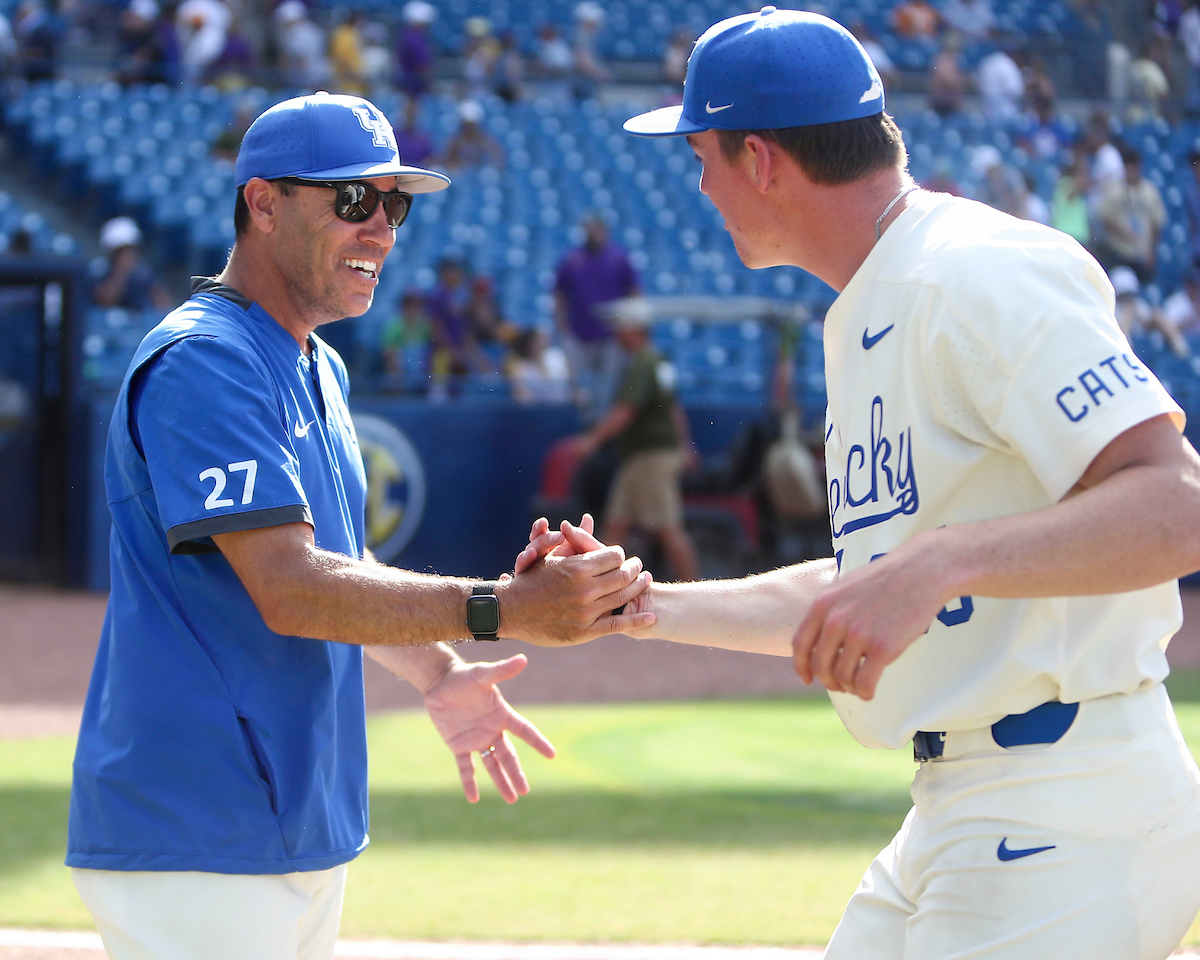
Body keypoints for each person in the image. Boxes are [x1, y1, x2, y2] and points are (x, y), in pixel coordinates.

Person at [523, 9, 1200, 958]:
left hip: (1065, 804)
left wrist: (939, 562)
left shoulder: (972, 272)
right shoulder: (874, 301)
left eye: (702, 154)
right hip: (967, 803)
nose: (700, 182)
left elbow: (1179, 507)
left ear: (760, 159)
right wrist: (644, 605)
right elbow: (869, 581)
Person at [66, 92, 652, 960]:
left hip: (291, 824)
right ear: (262, 204)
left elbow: (345, 567)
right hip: (195, 826)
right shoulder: (205, 360)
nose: (381, 227)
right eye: (352, 200)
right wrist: (502, 608)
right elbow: (293, 586)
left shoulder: (318, 363)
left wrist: (440, 672)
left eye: (394, 203)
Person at [570, 298, 699, 582]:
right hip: (642, 459)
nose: (616, 332)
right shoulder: (657, 361)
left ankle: (696, 591)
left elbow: (626, 411)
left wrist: (593, 440)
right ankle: (598, 591)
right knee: (616, 526)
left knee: (667, 528)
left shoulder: (643, 363)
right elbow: (674, 408)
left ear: (634, 329)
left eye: (621, 326)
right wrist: (685, 445)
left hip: (651, 459)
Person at [553, 216, 640, 414]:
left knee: (609, 385)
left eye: (597, 229)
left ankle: (600, 427)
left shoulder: (618, 258)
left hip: (611, 335)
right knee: (579, 387)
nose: (593, 234)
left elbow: (634, 293)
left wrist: (629, 326)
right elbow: (559, 296)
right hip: (578, 333)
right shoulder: (572, 259)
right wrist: (563, 328)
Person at [1096, 145, 1167, 284]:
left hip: (1142, 252)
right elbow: (1104, 217)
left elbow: (1157, 224)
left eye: (1133, 166)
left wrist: (1152, 252)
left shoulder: (1150, 191)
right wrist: (1122, 230)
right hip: (1119, 251)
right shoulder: (1114, 190)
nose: (1131, 171)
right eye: (1128, 167)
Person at [92, 216, 171, 311]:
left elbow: (163, 304)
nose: (126, 254)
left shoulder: (143, 273)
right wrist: (121, 271)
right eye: (121, 250)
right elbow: (105, 301)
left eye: (129, 249)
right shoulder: (100, 270)